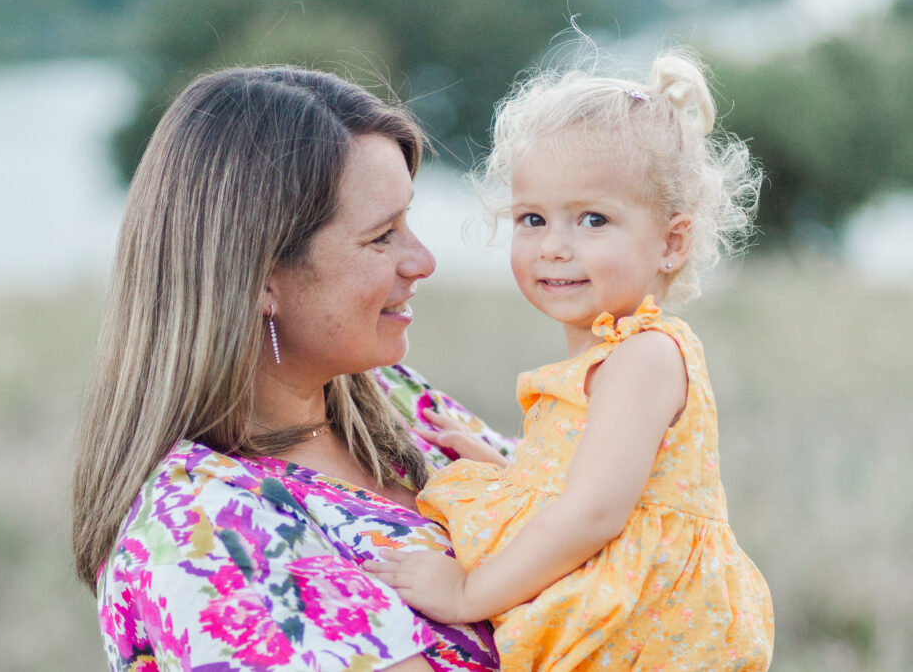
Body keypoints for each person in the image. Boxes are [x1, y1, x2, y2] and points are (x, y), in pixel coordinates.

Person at [70, 66, 512, 671]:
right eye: (382, 236)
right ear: (260, 278)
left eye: (408, 221)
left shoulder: (397, 402)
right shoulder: (202, 533)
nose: (423, 261)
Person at [365, 49, 775, 670]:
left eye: (592, 219)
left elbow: (594, 512)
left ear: (671, 242)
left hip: (650, 627)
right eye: (533, 218)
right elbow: (592, 477)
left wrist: (468, 592)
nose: (554, 247)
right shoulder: (609, 354)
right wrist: (515, 470)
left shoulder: (645, 356)